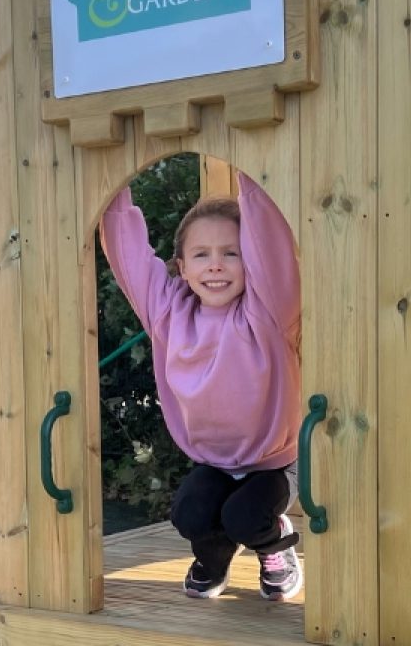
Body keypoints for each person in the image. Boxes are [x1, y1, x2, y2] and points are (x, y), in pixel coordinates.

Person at [100, 170, 303, 601]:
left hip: (271, 464)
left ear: (251, 262)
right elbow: (130, 256)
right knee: (189, 513)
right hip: (213, 462)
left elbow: (271, 242)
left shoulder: (269, 313)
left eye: (232, 253)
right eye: (202, 254)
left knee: (246, 517)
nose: (215, 264)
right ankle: (213, 561)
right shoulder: (167, 313)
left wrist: (252, 166)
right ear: (182, 268)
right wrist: (111, 185)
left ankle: (274, 545)